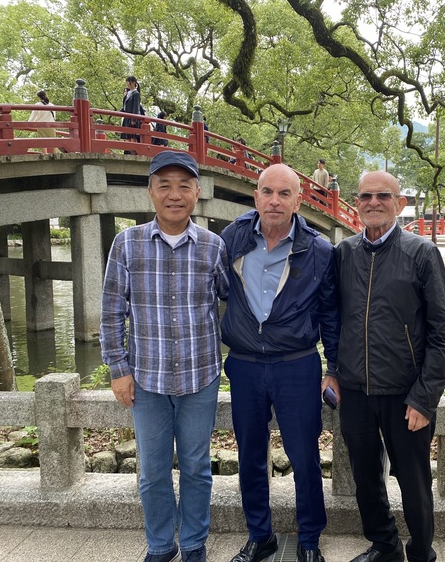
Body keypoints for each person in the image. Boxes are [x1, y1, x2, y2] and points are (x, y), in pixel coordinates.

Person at [100, 151, 229, 562]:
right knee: (153, 470)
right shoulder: (127, 243)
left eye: (184, 186)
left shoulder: (213, 246)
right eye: (165, 186)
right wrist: (118, 369)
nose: (175, 195)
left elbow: (229, 302)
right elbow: (111, 312)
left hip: (200, 375)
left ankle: (193, 543)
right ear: (151, 192)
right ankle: (160, 544)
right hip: (147, 378)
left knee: (196, 467)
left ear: (197, 192)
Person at [334, 170, 445, 562]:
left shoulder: (421, 253)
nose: (373, 202)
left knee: (414, 481)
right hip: (355, 390)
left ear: (399, 204)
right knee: (366, 478)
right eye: (365, 196)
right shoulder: (344, 253)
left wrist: (424, 398)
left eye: (383, 196)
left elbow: (443, 333)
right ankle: (385, 546)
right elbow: (334, 320)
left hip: (406, 393)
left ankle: (421, 552)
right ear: (356, 202)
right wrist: (333, 369)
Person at [219, 163, 339, 562]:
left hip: (296, 363)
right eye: (267, 192)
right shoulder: (232, 238)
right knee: (250, 455)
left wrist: (333, 369)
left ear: (298, 201)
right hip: (245, 364)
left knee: (304, 456)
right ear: (256, 197)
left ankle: (309, 540)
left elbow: (330, 315)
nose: (274, 201)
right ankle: (260, 535)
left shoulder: (319, 250)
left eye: (284, 193)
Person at [121, 76, 143, 146]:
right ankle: (128, 151)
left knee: (132, 138)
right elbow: (124, 106)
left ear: (133, 82)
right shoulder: (128, 93)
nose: (127, 84)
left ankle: (133, 151)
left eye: (128, 82)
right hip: (126, 117)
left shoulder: (136, 94)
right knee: (127, 138)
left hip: (132, 118)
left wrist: (134, 119)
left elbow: (136, 107)